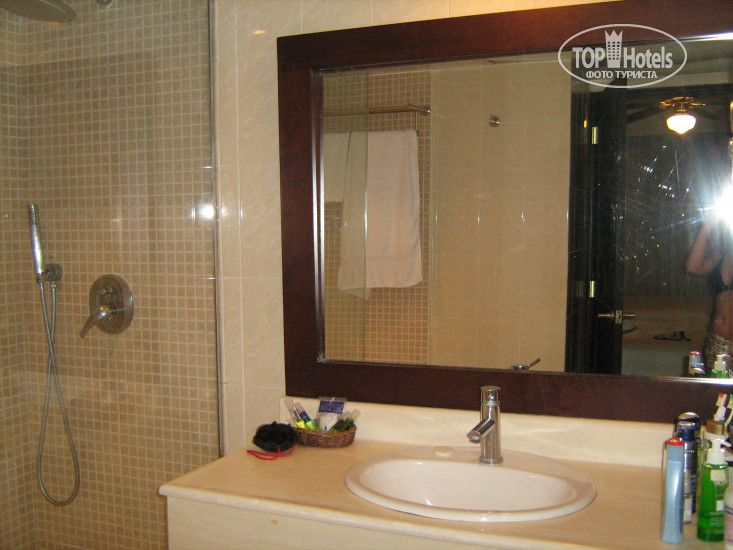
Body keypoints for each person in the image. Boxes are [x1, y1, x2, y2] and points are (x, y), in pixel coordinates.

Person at [687, 217, 733, 370]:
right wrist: (706, 226)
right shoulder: (720, 254)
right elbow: (692, 267)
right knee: (715, 385)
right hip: (718, 343)